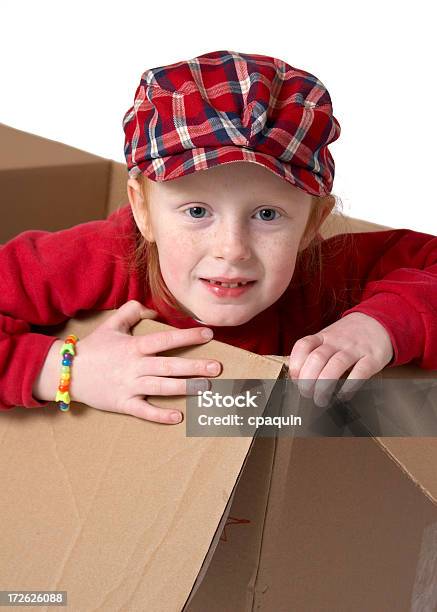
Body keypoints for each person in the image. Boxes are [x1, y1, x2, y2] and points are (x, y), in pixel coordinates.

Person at [1, 49, 436, 423]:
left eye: (267, 214)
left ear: (312, 223)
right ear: (142, 210)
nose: (232, 249)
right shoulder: (103, 256)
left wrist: (379, 325)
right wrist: (65, 371)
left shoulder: (321, 274)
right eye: (196, 211)